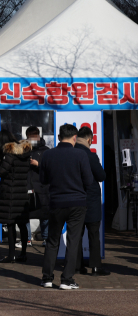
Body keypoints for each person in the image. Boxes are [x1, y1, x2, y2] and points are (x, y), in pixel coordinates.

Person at [40, 123, 93, 290]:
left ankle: (47, 278)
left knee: (52, 240)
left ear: (58, 137)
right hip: (77, 203)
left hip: (56, 202)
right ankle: (67, 279)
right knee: (73, 241)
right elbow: (89, 181)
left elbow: (43, 180)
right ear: (75, 138)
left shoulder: (48, 155)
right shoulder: (81, 154)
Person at [74, 126, 110, 276]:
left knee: (76, 234)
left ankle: (77, 266)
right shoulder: (90, 156)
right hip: (91, 200)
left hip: (75, 198)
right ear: (89, 139)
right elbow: (101, 176)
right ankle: (96, 267)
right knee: (94, 234)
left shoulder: (71, 153)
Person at [0, 130, 32, 263]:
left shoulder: (9, 155)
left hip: (10, 193)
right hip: (21, 192)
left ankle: (11, 255)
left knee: (10, 224)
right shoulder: (25, 153)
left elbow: (1, 172)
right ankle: (23, 253)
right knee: (22, 224)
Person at [26, 126, 50, 247]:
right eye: (29, 137)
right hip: (28, 185)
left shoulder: (46, 151)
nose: (32, 139)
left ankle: (46, 237)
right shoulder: (24, 150)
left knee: (44, 213)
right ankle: (27, 238)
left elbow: (51, 168)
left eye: (34, 136)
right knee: (26, 213)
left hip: (42, 186)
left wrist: (38, 164)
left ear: (39, 136)